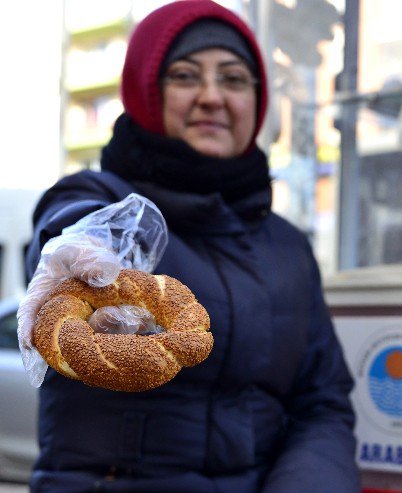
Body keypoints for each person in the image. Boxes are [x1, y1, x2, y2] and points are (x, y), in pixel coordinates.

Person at [22, 1, 360, 491]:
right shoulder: (97, 197)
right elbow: (72, 229)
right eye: (184, 76)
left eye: (233, 79)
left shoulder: (288, 248)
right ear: (146, 93)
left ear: (256, 101)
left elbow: (322, 404)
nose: (211, 97)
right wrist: (78, 251)